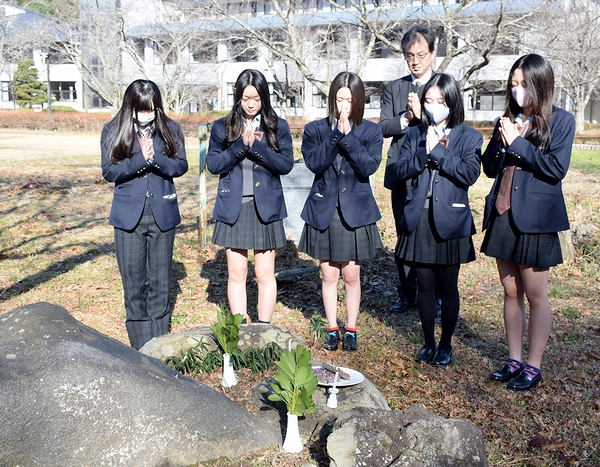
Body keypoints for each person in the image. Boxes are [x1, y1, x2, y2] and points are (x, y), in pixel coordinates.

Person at [481, 54, 574, 391]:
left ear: (540, 84)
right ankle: (514, 359)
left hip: (536, 217)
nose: (518, 90)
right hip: (504, 211)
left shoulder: (561, 121)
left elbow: (555, 169)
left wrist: (518, 143)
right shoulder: (507, 119)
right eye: (514, 84)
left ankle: (533, 366)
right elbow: (490, 167)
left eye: (524, 84)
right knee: (510, 291)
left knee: (535, 293)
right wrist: (500, 139)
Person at [394, 73, 482, 366]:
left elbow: (469, 173)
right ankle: (429, 341)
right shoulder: (415, 133)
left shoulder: (469, 136)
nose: (434, 106)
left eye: (441, 100)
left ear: (453, 101)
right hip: (418, 217)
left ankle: (446, 345)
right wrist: (424, 151)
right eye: (429, 100)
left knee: (448, 285)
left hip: (452, 219)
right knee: (424, 285)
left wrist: (439, 152)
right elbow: (400, 170)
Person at [101, 79, 188, 350]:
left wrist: (156, 159)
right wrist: (140, 160)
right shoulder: (113, 130)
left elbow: (181, 165)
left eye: (151, 109)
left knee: (162, 282)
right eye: (141, 110)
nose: (147, 114)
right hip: (128, 216)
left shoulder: (170, 128)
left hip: (162, 211)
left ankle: (159, 345)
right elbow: (109, 171)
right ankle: (141, 347)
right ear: (131, 108)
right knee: (134, 283)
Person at [299, 71, 383, 351]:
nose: (343, 105)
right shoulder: (315, 129)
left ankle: (352, 328)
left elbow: (368, 167)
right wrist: (336, 133)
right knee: (329, 274)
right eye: (338, 99)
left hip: (355, 211)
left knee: (351, 275)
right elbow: (316, 164)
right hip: (324, 207)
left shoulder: (371, 131)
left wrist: (349, 137)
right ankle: (332, 327)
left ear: (358, 101)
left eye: (348, 99)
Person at [207, 69, 294, 324]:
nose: (251, 104)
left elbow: (285, 164)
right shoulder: (222, 127)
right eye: (246, 98)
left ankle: (264, 327)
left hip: (265, 207)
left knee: (265, 273)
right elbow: (213, 164)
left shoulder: (277, 126)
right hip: (234, 206)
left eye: (256, 98)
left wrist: (256, 148)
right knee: (237, 271)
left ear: (264, 97)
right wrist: (239, 147)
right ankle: (239, 326)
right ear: (238, 97)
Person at [380, 25, 437, 314]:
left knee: (433, 232)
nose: (415, 61)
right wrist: (405, 118)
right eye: (409, 55)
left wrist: (423, 116)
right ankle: (406, 293)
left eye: (420, 54)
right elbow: (383, 126)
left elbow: (453, 122)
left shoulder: (443, 84)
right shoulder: (395, 87)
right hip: (401, 170)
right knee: (403, 232)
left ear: (432, 53)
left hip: (435, 170)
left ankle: (437, 295)